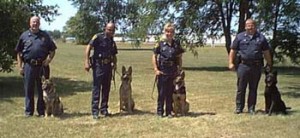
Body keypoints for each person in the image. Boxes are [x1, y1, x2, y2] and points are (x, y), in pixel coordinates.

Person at [15, 16, 57, 117]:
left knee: (42, 89)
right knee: (28, 89)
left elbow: (52, 50)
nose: (35, 24)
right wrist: (20, 67)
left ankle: (41, 111)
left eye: (37, 22)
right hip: (29, 65)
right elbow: (19, 52)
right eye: (33, 22)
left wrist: (48, 60)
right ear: (30, 23)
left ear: (39, 23)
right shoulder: (24, 36)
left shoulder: (45, 36)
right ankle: (29, 112)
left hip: (42, 66)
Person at [228, 19, 272, 114]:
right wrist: (230, 63)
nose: (250, 27)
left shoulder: (261, 38)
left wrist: (269, 63)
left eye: (252, 25)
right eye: (248, 25)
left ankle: (251, 108)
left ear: (255, 26)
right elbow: (233, 50)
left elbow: (266, 52)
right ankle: (239, 107)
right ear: (245, 26)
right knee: (241, 88)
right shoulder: (239, 37)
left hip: (256, 66)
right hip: (243, 66)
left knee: (253, 88)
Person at [84, 22, 118, 119]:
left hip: (108, 66)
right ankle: (95, 111)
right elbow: (88, 48)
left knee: (106, 88)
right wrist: (86, 62)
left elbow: (114, 54)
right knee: (96, 88)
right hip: (98, 65)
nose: (110, 31)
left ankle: (104, 109)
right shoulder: (98, 37)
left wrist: (115, 64)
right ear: (105, 29)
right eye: (109, 29)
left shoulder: (112, 41)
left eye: (112, 30)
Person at [152, 23, 184, 118]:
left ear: (173, 33)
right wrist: (155, 69)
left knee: (170, 93)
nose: (169, 33)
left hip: (173, 71)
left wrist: (179, 69)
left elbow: (179, 57)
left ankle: (169, 112)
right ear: (164, 32)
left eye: (171, 32)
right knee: (161, 93)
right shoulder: (160, 43)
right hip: (162, 70)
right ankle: (160, 112)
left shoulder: (176, 44)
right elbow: (154, 56)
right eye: (167, 31)